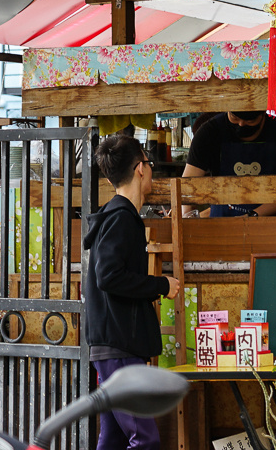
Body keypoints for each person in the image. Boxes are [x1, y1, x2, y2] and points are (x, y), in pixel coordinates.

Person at [85, 134, 181, 450]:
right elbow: (109, 276)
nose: (151, 169)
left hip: (112, 345)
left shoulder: (117, 216)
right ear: (140, 168)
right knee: (145, 438)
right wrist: (161, 285)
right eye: (149, 163)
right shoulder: (122, 218)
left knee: (112, 438)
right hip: (120, 347)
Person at [182, 110, 276, 216]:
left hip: (271, 226)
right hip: (220, 225)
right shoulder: (209, 132)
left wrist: (252, 216)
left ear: (262, 113)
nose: (241, 124)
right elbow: (187, 183)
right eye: (234, 118)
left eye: (250, 121)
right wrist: (187, 220)